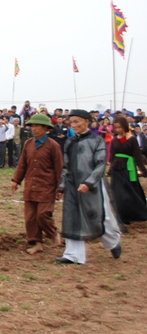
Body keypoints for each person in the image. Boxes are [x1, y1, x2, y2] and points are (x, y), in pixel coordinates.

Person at [56, 110, 122, 265]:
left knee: (97, 217)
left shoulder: (97, 141)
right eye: (72, 122)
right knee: (72, 216)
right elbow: (66, 166)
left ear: (87, 121)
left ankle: (113, 242)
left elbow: (100, 165)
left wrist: (89, 182)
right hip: (73, 185)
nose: (74, 125)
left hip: (93, 186)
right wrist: (61, 187)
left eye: (77, 122)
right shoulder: (70, 142)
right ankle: (73, 254)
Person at [11, 113, 63, 255]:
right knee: (30, 217)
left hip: (47, 186)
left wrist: (60, 187)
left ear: (46, 128)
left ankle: (53, 234)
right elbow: (22, 164)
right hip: (30, 186)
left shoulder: (53, 146)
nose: (34, 128)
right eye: (32, 126)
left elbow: (60, 168)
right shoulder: (28, 144)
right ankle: (37, 243)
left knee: (43, 214)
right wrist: (16, 180)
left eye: (37, 126)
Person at [108, 116, 147, 224]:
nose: (118, 130)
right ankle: (121, 216)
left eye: (119, 127)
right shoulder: (114, 139)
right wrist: (110, 169)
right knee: (118, 193)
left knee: (129, 193)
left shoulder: (132, 139)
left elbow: (137, 156)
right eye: (116, 128)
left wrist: (143, 170)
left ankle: (135, 214)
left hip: (128, 169)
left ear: (124, 126)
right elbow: (112, 156)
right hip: (116, 169)